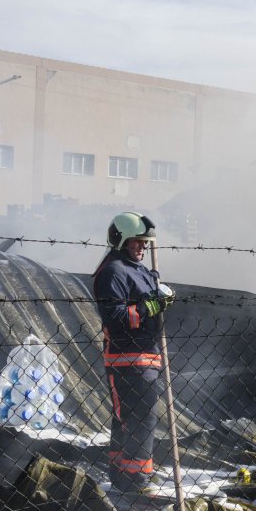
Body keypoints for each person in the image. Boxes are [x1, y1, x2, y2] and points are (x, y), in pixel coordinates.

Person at [92, 211, 174, 494]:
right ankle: (136, 480)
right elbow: (114, 316)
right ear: (120, 240)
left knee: (130, 419)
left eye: (144, 242)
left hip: (146, 356)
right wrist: (150, 306)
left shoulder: (136, 269)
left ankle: (122, 476)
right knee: (140, 418)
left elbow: (147, 299)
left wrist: (158, 291)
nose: (142, 247)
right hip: (128, 359)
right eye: (136, 242)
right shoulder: (114, 271)